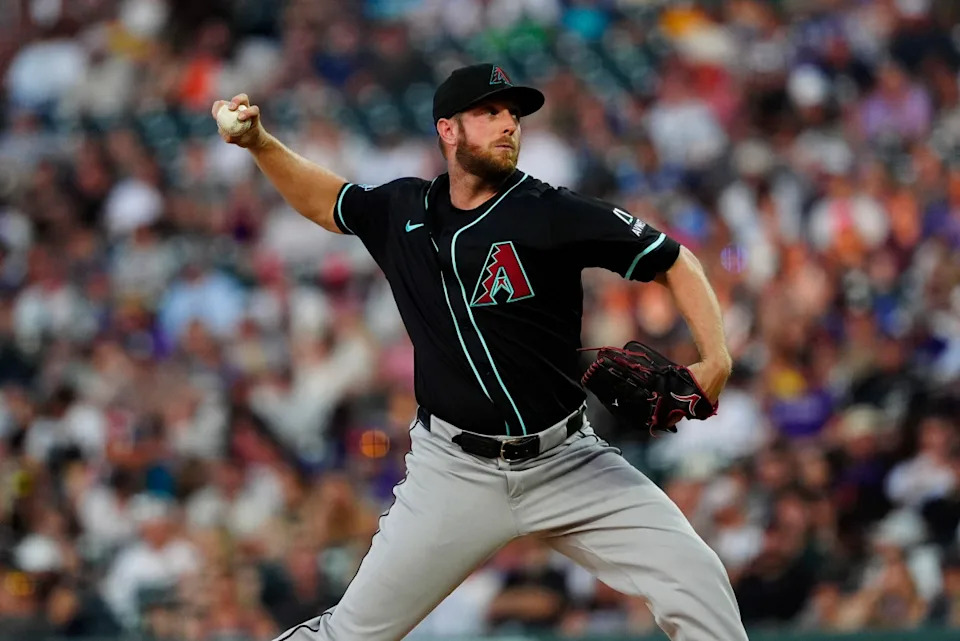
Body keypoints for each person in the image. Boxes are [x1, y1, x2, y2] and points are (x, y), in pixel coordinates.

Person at [212, 63, 747, 641]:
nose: (508, 125)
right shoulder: (401, 210)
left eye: (513, 115)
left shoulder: (549, 211)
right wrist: (260, 144)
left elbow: (674, 260)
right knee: (351, 634)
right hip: (454, 471)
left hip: (568, 460)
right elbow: (327, 201)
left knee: (695, 579)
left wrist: (716, 357)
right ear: (448, 130)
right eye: (489, 113)